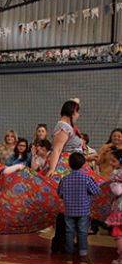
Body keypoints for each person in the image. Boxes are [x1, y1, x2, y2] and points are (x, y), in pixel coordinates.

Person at [47, 99, 86, 253]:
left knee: (71, 206)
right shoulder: (63, 127)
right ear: (72, 112)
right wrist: (52, 169)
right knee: (67, 206)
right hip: (67, 167)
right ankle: (62, 242)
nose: (79, 115)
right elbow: (57, 149)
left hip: (74, 166)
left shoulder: (68, 126)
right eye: (77, 112)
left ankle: (66, 241)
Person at [57, 152, 101, 264]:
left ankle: (69, 256)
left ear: (69, 164)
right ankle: (83, 256)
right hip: (83, 210)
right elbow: (96, 191)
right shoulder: (87, 178)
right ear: (83, 164)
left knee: (69, 232)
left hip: (69, 210)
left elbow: (60, 194)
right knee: (82, 232)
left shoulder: (65, 179)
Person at [107, 149, 122, 264]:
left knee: (119, 234)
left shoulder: (116, 174)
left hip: (119, 209)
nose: (111, 163)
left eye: (113, 161)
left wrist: (113, 183)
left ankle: (121, 258)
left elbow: (117, 191)